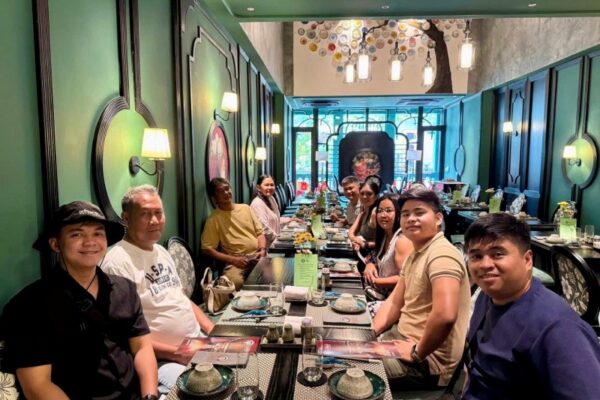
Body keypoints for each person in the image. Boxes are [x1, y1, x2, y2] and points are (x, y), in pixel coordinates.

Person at [2, 201, 158, 400]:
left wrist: (150, 396)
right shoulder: (28, 306)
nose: (90, 242)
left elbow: (142, 347)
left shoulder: (124, 288)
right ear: (55, 244)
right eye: (77, 234)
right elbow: (37, 386)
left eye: (98, 233)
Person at [463, 213, 600, 399]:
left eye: (498, 254)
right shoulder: (486, 297)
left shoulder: (558, 328)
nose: (485, 264)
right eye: (477, 256)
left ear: (527, 260)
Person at [101, 185, 214, 390]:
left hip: (197, 342)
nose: (154, 220)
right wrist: (178, 353)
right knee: (206, 389)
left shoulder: (161, 251)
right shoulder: (117, 262)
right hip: (162, 359)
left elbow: (181, 298)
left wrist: (211, 329)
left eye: (158, 213)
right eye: (145, 214)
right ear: (126, 218)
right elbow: (123, 335)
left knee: (246, 366)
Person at [372, 188, 471, 390]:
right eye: (405, 214)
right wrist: (370, 333)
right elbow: (394, 302)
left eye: (419, 213)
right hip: (399, 340)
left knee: (346, 367)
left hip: (427, 362)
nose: (411, 219)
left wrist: (417, 353)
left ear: (438, 218)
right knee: (339, 346)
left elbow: (445, 315)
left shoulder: (442, 255)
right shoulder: (416, 253)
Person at [201, 177, 267, 290]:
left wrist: (262, 250)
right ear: (214, 198)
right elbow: (207, 249)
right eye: (221, 191)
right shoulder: (214, 219)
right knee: (235, 283)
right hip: (236, 263)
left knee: (274, 275)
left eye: (227, 189)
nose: (226, 193)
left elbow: (260, 233)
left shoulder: (246, 208)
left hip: (257, 257)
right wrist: (233, 260)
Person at [364, 194, 413, 305]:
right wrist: (371, 265)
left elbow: (404, 278)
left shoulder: (402, 240)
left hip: (395, 302)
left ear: (399, 213)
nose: (383, 215)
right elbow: (385, 266)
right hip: (381, 295)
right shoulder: (385, 235)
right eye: (380, 211)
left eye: (389, 210)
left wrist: (376, 281)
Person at [250, 175, 302, 247]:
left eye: (272, 185)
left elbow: (275, 219)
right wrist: (278, 239)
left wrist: (290, 219)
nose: (270, 187)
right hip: (265, 246)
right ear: (258, 187)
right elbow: (264, 229)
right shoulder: (257, 204)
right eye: (266, 185)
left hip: (274, 243)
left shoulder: (271, 198)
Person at [348, 177, 380, 254]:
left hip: (371, 255)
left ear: (376, 196)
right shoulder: (364, 208)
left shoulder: (375, 212)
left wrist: (364, 244)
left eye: (369, 194)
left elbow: (384, 242)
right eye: (362, 193)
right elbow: (351, 232)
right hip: (360, 252)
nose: (364, 196)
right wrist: (355, 239)